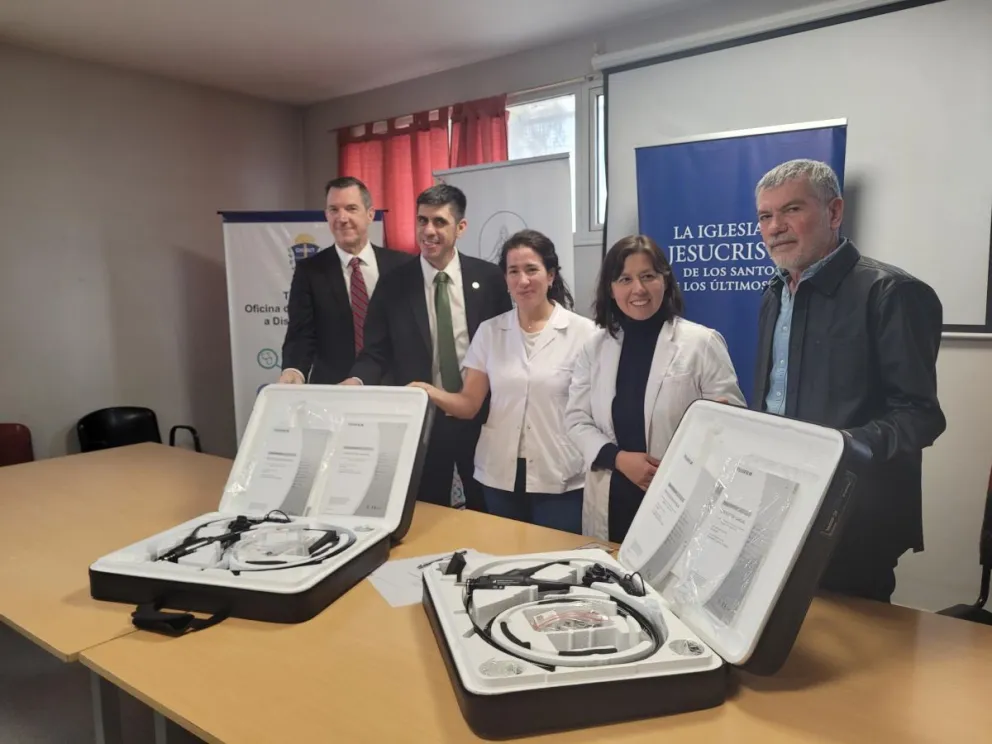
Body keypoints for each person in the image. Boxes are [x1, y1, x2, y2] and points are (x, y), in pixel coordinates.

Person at [752, 158, 946, 603]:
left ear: (834, 212)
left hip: (854, 516)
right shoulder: (774, 293)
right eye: (765, 215)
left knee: (852, 639)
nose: (776, 227)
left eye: (792, 209)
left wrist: (838, 448)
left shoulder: (891, 292)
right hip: (780, 504)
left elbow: (921, 416)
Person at [408, 230, 597, 533]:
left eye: (532, 270)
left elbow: (595, 413)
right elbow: (469, 404)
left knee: (558, 557)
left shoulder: (585, 334)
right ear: (505, 280)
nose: (523, 280)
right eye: (513, 272)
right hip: (499, 475)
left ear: (550, 275)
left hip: (560, 474)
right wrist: (428, 391)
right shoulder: (490, 332)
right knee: (503, 555)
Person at [343, 184, 512, 511]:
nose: (428, 230)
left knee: (487, 510)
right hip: (423, 419)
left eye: (439, 222)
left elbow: (507, 345)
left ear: (461, 227)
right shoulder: (394, 284)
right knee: (427, 512)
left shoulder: (490, 278)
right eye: (422, 220)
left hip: (482, 416)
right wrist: (356, 380)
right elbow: (376, 351)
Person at [566, 235, 745, 542]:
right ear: (610, 289)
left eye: (648, 276)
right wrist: (619, 459)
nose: (638, 289)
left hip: (680, 493)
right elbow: (576, 420)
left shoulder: (701, 343)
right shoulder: (594, 348)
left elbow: (732, 424)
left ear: (665, 281)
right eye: (625, 279)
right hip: (613, 495)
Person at [279, 176, 411, 385]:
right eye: (334, 210)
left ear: (370, 214)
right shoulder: (310, 271)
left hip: (394, 387)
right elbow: (301, 335)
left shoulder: (402, 266)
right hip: (334, 388)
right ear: (326, 215)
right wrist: (294, 370)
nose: (342, 218)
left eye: (351, 208)